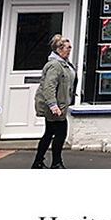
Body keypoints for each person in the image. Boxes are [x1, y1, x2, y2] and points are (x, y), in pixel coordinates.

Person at [31, 35, 75, 169]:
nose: (70, 50)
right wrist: (53, 105)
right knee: (60, 134)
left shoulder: (63, 63)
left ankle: (38, 162)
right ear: (58, 49)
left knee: (49, 133)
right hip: (56, 107)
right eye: (68, 47)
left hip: (59, 104)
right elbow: (49, 86)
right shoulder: (55, 66)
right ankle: (56, 163)